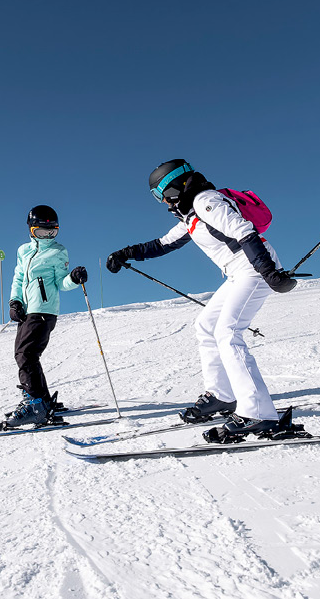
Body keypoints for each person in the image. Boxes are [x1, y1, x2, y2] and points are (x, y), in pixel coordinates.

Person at [105, 159, 299, 443]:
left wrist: (268, 271)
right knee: (206, 326)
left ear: (177, 187)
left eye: (164, 196)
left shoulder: (206, 201)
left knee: (228, 333)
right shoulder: (191, 214)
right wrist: (125, 253)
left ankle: (258, 412)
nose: (166, 203)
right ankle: (222, 396)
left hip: (252, 269)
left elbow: (244, 231)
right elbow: (162, 244)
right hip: (236, 272)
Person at [4, 205, 88, 428]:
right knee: (25, 354)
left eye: (51, 232)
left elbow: (61, 282)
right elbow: (19, 278)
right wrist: (15, 302)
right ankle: (42, 400)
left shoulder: (58, 251)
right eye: (41, 232)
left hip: (44, 309)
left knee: (25, 354)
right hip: (28, 310)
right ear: (31, 230)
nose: (47, 236)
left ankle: (36, 404)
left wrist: (74, 278)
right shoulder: (23, 251)